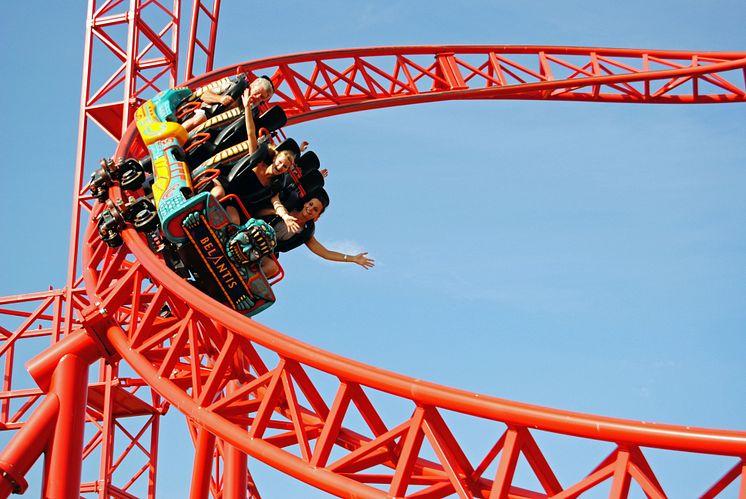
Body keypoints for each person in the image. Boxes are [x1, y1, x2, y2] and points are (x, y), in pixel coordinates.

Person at [210, 87, 298, 230]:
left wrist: (285, 216)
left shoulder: (274, 184)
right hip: (223, 184)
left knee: (234, 223)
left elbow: (277, 204)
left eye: (285, 167)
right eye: (281, 162)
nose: (281, 167)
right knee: (218, 194)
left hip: (233, 200)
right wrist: (247, 109)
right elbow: (251, 133)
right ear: (275, 159)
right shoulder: (259, 161)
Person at [261, 188, 375, 276]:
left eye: (315, 209)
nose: (310, 209)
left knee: (273, 268)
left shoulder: (304, 233)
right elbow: (259, 212)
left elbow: (325, 253)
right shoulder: (289, 207)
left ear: (317, 216)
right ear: (305, 203)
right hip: (256, 231)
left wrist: (353, 259)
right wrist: (280, 214)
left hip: (264, 250)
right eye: (310, 204)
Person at [182, 75, 274, 132]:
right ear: (252, 86)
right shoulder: (232, 86)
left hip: (219, 131)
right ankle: (177, 134)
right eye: (258, 92)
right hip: (206, 114)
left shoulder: (252, 113)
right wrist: (220, 99)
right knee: (201, 118)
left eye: (262, 97)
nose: (258, 97)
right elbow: (204, 95)